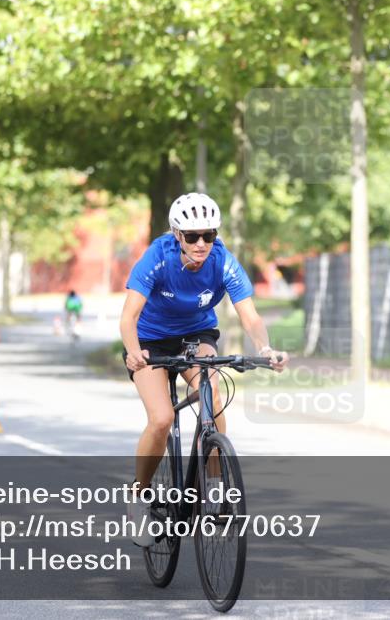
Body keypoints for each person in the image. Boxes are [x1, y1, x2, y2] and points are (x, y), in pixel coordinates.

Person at [120, 192, 288, 545]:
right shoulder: (157, 257)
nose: (201, 243)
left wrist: (265, 348)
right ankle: (138, 499)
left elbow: (250, 316)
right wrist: (134, 352)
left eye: (208, 235)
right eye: (193, 236)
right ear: (176, 235)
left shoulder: (222, 261)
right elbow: (128, 317)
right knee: (162, 418)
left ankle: (212, 490)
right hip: (150, 340)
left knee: (213, 392)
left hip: (196, 333)